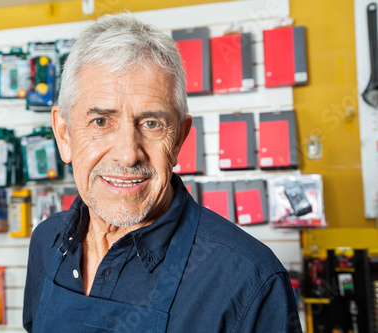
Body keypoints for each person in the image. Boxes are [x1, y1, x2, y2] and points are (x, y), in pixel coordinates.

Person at [23, 12, 302, 332]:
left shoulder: (249, 280)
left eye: (151, 124)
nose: (128, 155)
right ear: (64, 134)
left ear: (180, 138)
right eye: (101, 122)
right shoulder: (46, 242)